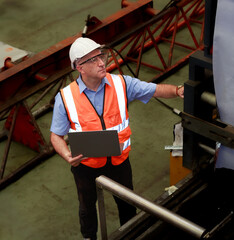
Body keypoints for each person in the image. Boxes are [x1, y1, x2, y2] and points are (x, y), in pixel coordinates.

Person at [50, 37, 184, 240]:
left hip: (119, 161)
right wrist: (68, 155)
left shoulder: (121, 84)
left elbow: (153, 89)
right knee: (87, 208)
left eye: (101, 56)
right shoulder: (66, 98)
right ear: (80, 67)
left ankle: (131, 234)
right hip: (85, 165)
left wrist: (177, 90)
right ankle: (89, 237)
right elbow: (56, 136)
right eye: (93, 60)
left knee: (127, 205)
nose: (102, 62)